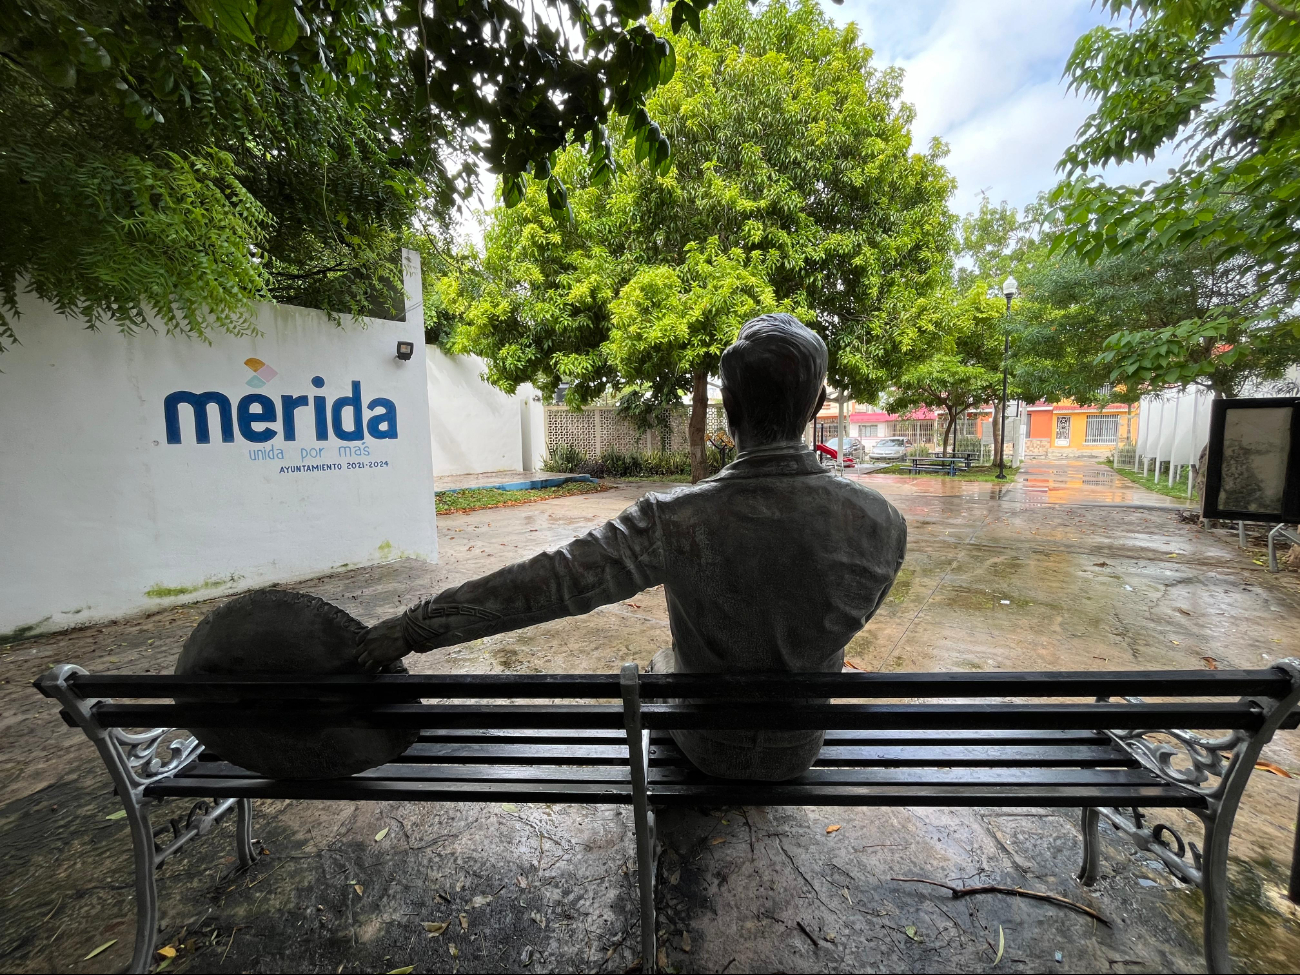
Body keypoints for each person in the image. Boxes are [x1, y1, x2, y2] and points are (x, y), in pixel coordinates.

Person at [357, 313, 907, 780]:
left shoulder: (674, 519)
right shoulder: (882, 522)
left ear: (731, 409)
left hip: (708, 747)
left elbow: (551, 582)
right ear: (814, 409)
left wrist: (413, 628)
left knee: (658, 667)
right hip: (799, 747)